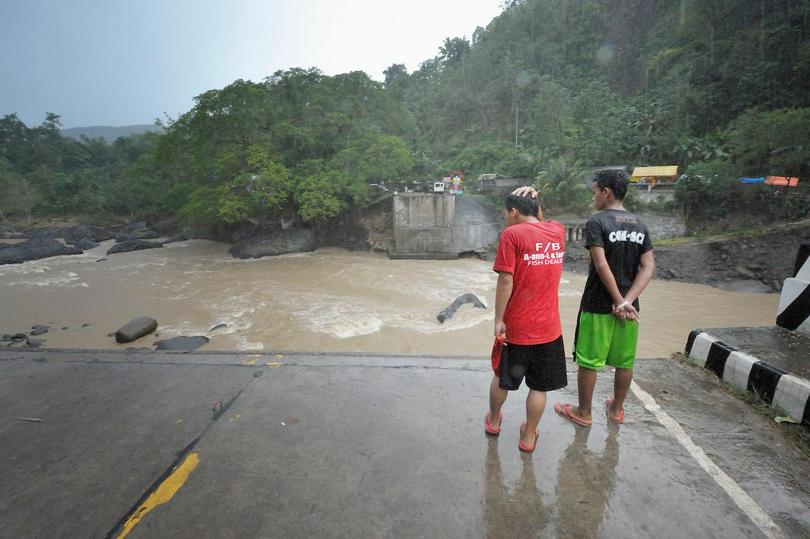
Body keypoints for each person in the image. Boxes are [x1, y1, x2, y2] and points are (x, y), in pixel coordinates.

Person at [517, 169, 655, 426]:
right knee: (625, 361)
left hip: (599, 304)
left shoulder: (598, 222)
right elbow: (648, 266)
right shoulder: (639, 224)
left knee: (589, 361)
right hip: (629, 308)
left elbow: (601, 265)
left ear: (606, 192)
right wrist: (627, 301)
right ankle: (616, 410)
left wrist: (616, 299)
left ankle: (584, 412)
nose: (593, 198)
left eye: (594, 192)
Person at [486, 194, 567, 452]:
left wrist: (499, 318)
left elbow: (505, 280)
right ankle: (529, 435)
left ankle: (495, 420)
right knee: (539, 387)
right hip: (549, 328)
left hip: (517, 328)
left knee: (502, 376)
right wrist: (534, 199)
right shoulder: (557, 230)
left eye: (504, 213)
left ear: (513, 212)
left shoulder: (512, 235)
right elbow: (539, 219)